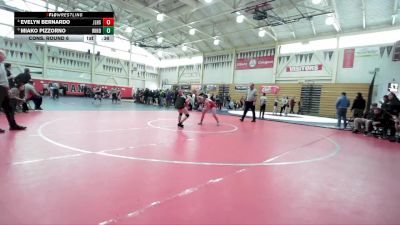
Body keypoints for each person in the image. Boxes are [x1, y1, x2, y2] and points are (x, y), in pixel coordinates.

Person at [0, 49, 26, 133]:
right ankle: (13, 125)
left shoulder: (2, 65)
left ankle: (13, 125)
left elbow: (3, 78)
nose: (5, 56)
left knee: (9, 108)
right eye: (4, 55)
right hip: (0, 88)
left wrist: (7, 88)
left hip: (4, 88)